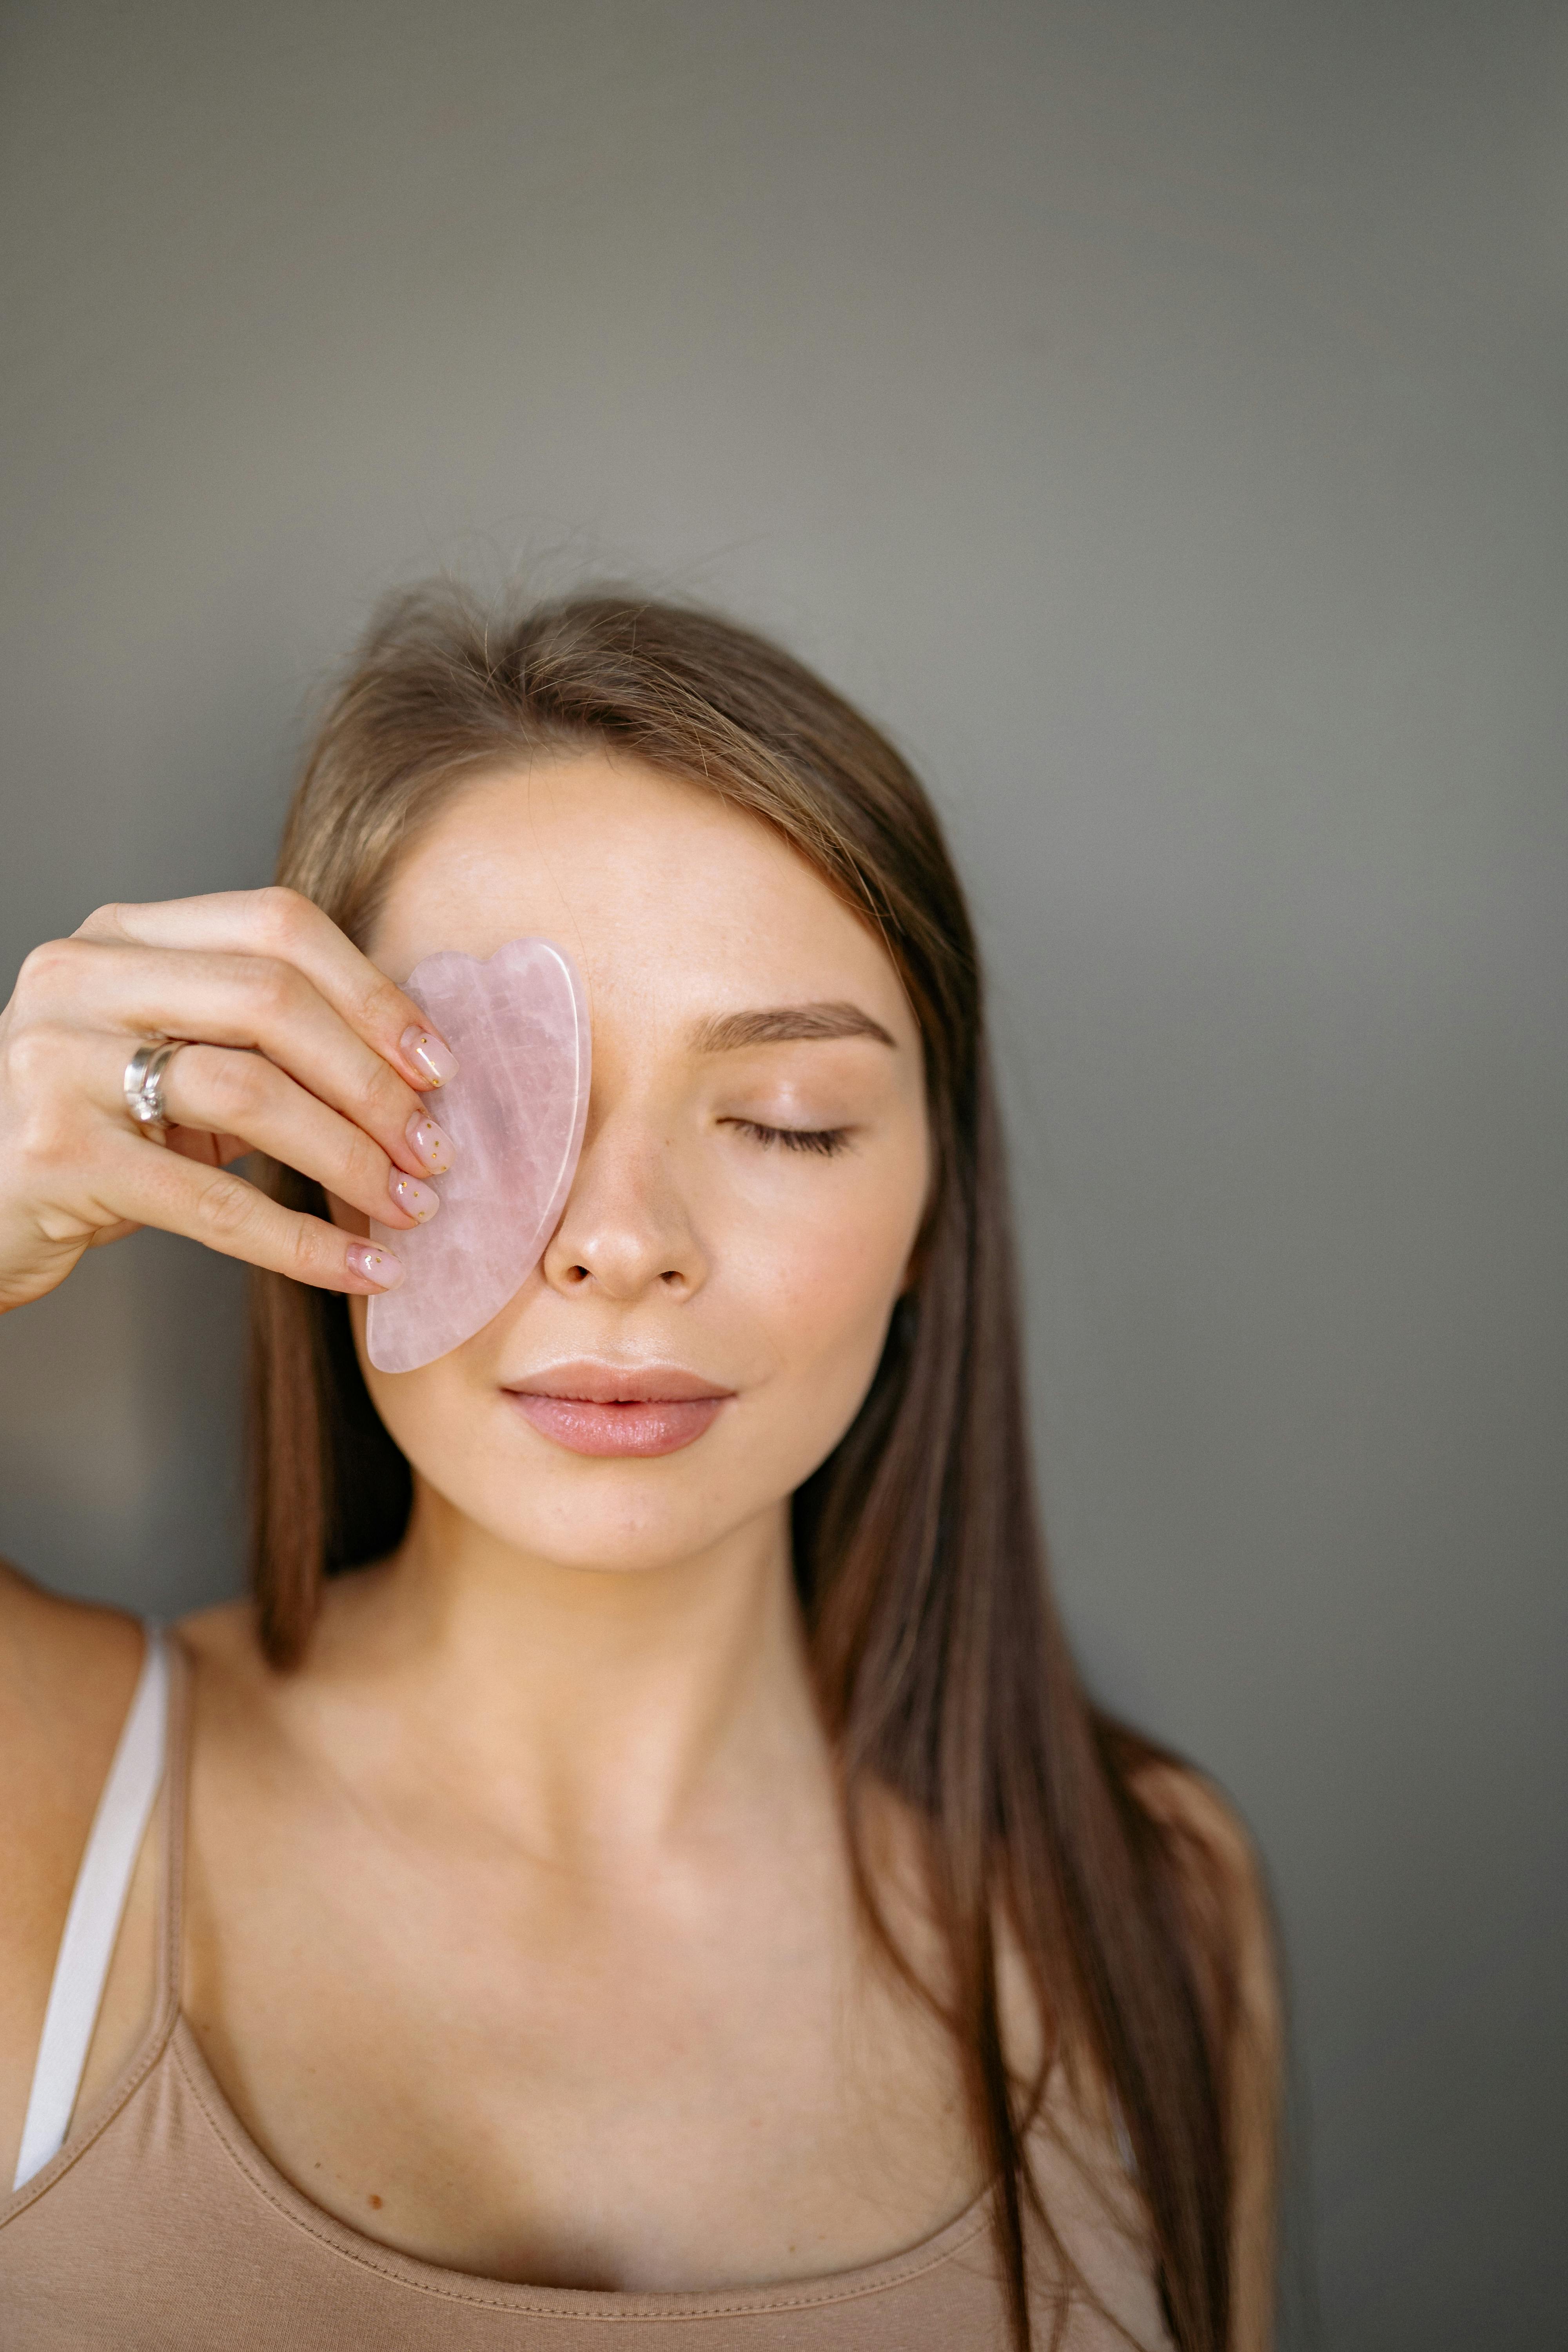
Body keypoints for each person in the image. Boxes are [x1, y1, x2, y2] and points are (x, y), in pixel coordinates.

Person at [0, 589, 1281, 2350]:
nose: (621, 1243)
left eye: (783, 1124)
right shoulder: (40, 1794)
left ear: (929, 1216)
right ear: (306, 1147)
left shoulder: (1147, 1906)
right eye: (490, 1106)